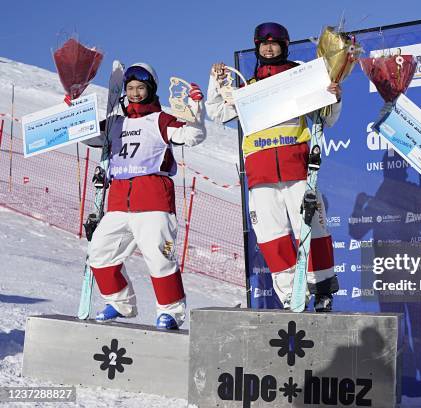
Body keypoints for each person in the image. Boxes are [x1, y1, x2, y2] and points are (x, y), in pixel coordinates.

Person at [205, 22, 342, 312]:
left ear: (284, 46)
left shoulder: (298, 78)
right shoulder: (248, 89)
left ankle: (322, 290)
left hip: (297, 169)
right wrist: (216, 84)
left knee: (312, 230)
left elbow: (326, 118)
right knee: (272, 237)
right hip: (260, 173)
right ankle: (293, 297)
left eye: (275, 43)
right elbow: (218, 113)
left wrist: (332, 95)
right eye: (264, 43)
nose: (269, 48)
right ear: (257, 47)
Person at [86, 62, 206, 329]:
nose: (135, 93)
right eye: (130, 88)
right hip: (118, 202)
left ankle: (171, 312)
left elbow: (193, 135)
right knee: (99, 253)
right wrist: (73, 113)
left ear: (150, 89)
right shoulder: (115, 122)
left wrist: (196, 110)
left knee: (159, 258)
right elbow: (88, 136)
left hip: (154, 201)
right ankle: (119, 302)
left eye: (141, 88)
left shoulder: (160, 120)